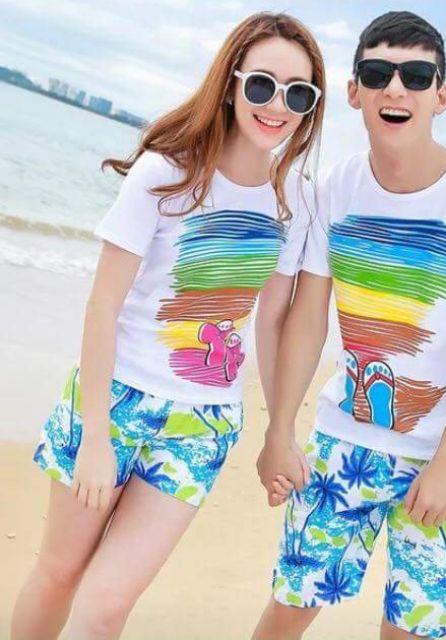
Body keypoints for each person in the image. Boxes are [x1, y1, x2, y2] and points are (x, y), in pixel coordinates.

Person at [11, 12, 323, 640]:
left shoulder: (295, 201)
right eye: (263, 85)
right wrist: (94, 435)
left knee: (105, 606)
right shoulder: (166, 172)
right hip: (113, 399)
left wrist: (280, 430)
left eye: (298, 94)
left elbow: (272, 320)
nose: (277, 106)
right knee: (59, 573)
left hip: (201, 424)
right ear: (232, 83)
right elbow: (103, 306)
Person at [253, 11, 446, 640]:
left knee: (409, 631)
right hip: (342, 442)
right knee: (287, 610)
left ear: (442, 95)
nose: (396, 89)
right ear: (355, 91)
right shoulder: (336, 187)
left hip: (444, 455)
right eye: (378, 73)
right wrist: (280, 428)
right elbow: (308, 316)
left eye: (416, 76)